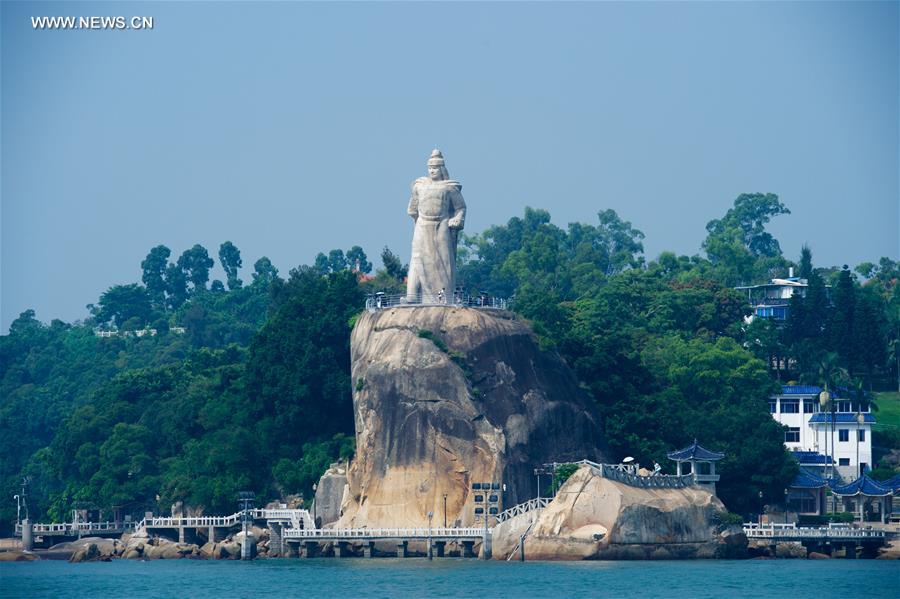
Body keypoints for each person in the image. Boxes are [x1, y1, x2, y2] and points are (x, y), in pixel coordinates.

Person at [406, 150, 466, 302]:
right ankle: (412, 295)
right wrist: (419, 221)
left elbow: (460, 208)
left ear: (442, 169)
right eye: (430, 168)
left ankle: (444, 297)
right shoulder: (419, 186)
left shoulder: (449, 188)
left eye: (435, 168)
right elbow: (412, 210)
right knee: (417, 259)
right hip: (422, 226)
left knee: (444, 262)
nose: (432, 170)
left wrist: (458, 219)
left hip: (442, 225)